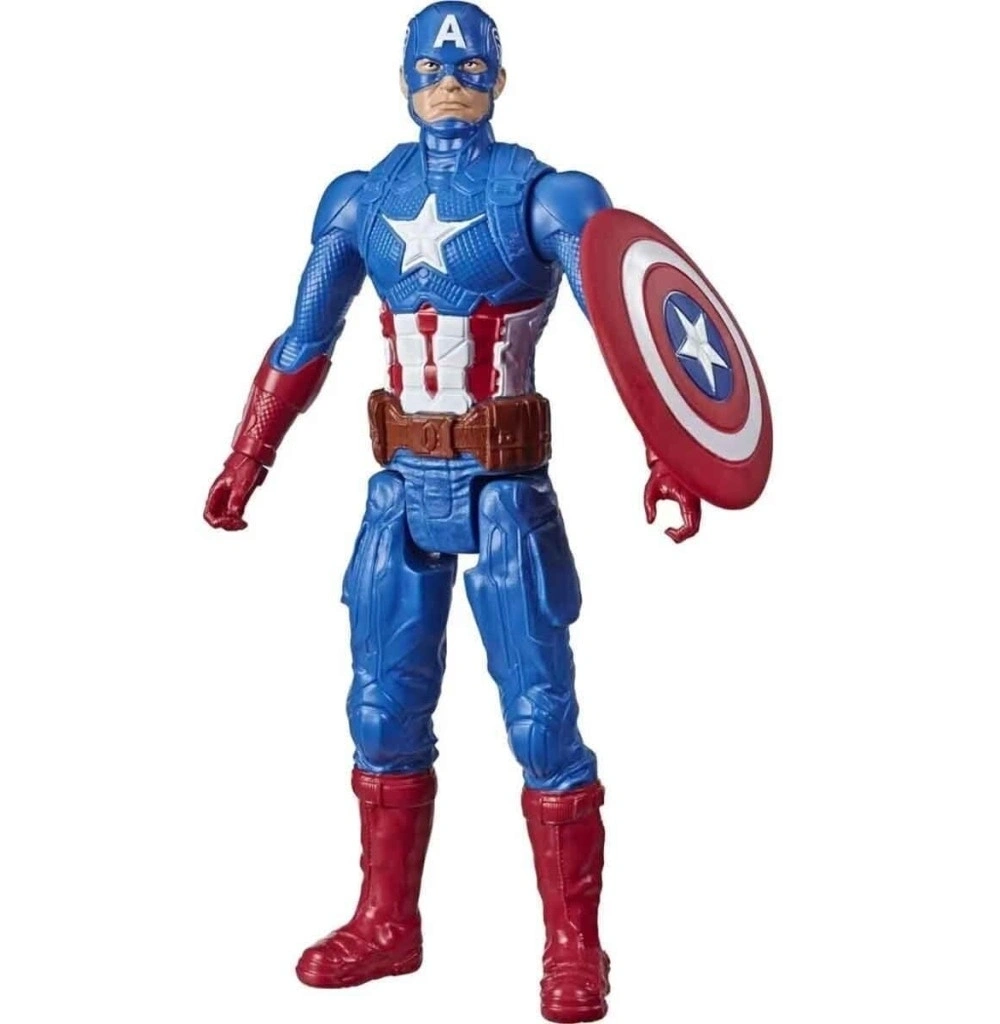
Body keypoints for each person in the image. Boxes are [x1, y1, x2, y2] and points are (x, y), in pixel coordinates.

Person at [204, 4, 700, 1021]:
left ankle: (574, 945)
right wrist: (247, 456)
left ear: (499, 80)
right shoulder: (362, 199)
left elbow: (628, 329)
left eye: (470, 64)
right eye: (431, 64)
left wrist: (670, 447)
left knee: (541, 717)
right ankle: (388, 922)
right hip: (398, 488)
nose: (449, 78)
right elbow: (304, 339)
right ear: (401, 78)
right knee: (380, 712)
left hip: (504, 488)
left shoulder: (544, 196)